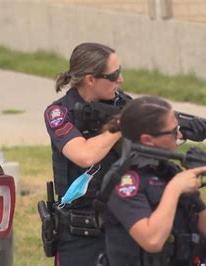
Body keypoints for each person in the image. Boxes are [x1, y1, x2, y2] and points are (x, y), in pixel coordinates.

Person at [104, 96, 206, 266]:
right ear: (148, 140)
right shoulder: (126, 182)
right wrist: (174, 189)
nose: (180, 134)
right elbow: (152, 241)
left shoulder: (169, 171)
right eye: (173, 131)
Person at [44, 42, 131, 266]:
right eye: (114, 75)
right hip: (79, 233)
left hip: (122, 226)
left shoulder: (123, 104)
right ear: (91, 79)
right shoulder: (60, 113)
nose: (120, 80)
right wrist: (122, 125)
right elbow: (84, 155)